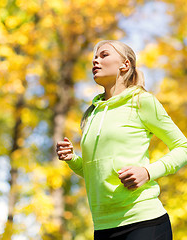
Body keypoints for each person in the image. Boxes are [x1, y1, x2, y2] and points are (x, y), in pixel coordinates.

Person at [56, 40, 187, 239]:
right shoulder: (91, 114)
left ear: (124, 65)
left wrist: (147, 172)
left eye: (104, 55)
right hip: (103, 226)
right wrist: (71, 159)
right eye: (94, 57)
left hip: (143, 221)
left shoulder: (141, 101)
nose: (95, 60)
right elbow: (95, 171)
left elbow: (183, 147)